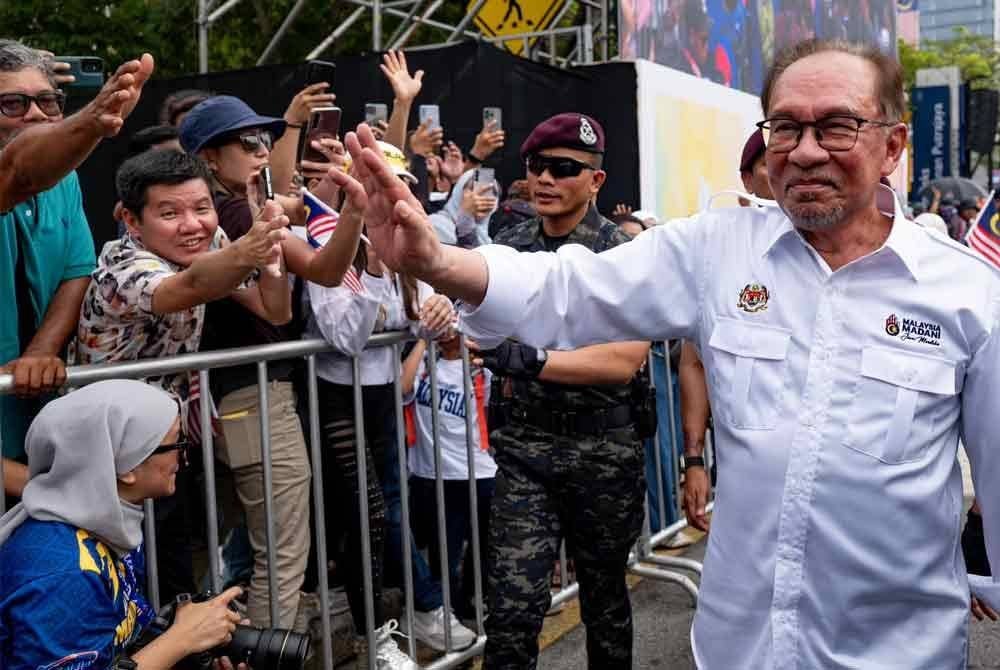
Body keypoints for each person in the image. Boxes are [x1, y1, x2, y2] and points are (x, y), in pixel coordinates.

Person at [327, 38, 1000, 670]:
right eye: (785, 128)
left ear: (894, 146)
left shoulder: (967, 294)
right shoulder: (716, 248)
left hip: (899, 652)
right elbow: (569, 288)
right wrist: (438, 261)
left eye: (836, 126)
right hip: (742, 648)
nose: (804, 150)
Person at [70, 148, 289, 603]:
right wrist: (251, 243)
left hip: (161, 451)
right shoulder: (125, 268)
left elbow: (275, 308)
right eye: (169, 213)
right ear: (132, 220)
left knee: (171, 584)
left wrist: (269, 254)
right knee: (116, 593)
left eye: (202, 207)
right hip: (105, 461)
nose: (192, 225)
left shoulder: (211, 243)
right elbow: (186, 287)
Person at [471, 113, 650, 670]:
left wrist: (533, 359)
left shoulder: (623, 251)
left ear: (595, 181)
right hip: (527, 450)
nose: (544, 179)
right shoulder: (511, 244)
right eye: (535, 166)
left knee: (604, 607)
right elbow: (479, 323)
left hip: (604, 455)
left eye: (563, 169)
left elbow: (625, 360)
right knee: (511, 612)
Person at [301, 169, 473, 665]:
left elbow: (416, 318)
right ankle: (384, 632)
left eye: (401, 190)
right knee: (369, 517)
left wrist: (436, 310)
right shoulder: (330, 244)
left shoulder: (402, 256)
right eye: (380, 191)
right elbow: (348, 338)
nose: (392, 203)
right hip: (337, 401)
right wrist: (375, 269)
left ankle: (405, 618)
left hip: (381, 402)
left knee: (382, 513)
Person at [0, 379, 246, 669]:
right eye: (175, 443)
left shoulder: (106, 527)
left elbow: (124, 644)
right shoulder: (64, 573)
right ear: (126, 467)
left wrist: (195, 648)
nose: (183, 455)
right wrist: (182, 638)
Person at [0, 41, 152, 504]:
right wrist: (89, 123)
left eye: (48, 101)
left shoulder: (65, 181)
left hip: (35, 416)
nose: (36, 114)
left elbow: (76, 270)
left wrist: (42, 351)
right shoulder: (23, 173)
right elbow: (18, 171)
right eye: (13, 102)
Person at [401, 331, 496, 629]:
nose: (449, 330)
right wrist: (422, 339)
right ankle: (449, 619)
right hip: (436, 476)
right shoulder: (426, 365)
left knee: (485, 548)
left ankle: (472, 603)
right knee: (445, 555)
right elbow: (402, 387)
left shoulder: (483, 369)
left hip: (479, 474)